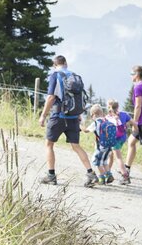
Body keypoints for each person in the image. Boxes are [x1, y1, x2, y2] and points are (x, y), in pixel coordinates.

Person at [38, 55, 98, 187]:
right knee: (76, 146)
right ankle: (91, 174)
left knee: (49, 144)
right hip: (73, 117)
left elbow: (51, 98)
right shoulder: (75, 76)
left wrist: (43, 115)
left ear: (54, 65)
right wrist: (78, 114)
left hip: (58, 116)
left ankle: (51, 176)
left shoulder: (55, 76)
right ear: (66, 63)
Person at [81, 104, 114, 184]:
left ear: (93, 115)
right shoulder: (107, 121)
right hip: (109, 147)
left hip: (101, 147)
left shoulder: (96, 123)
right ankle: (109, 175)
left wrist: (80, 125)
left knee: (97, 161)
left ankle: (102, 178)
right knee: (104, 161)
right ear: (102, 113)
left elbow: (86, 131)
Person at [105, 99, 132, 184]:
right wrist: (131, 128)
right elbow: (132, 122)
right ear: (118, 107)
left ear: (109, 107)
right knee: (111, 156)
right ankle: (107, 174)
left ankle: (125, 176)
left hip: (114, 140)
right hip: (122, 138)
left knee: (118, 157)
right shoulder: (123, 114)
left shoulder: (108, 118)